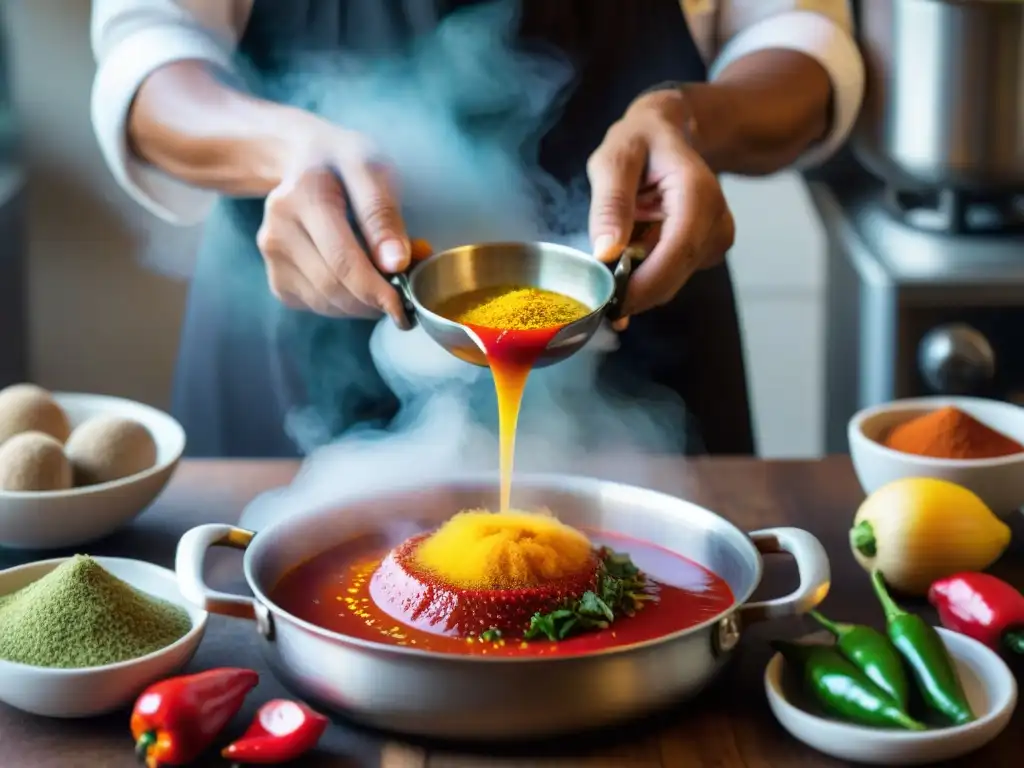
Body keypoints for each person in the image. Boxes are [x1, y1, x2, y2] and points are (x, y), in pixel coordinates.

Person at [90, 0, 864, 459]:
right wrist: (282, 150)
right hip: (299, 317)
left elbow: (799, 39)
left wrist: (690, 119)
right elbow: (151, 49)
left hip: (642, 329)